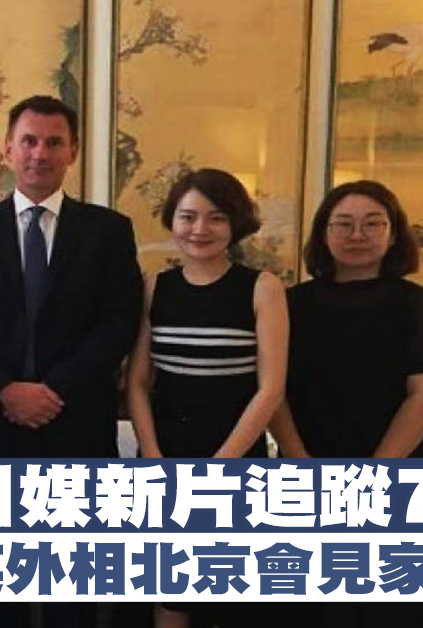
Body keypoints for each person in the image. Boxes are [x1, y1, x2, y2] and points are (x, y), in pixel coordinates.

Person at [0, 94, 144, 628]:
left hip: (75, 425)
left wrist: (53, 390)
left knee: (73, 598)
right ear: (7, 149)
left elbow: (118, 322)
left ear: (73, 151)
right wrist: (5, 389)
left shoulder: (108, 231)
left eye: (54, 142)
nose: (40, 153)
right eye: (28, 141)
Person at [269, 179, 423, 627]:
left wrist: (373, 476)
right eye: (344, 224)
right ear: (324, 233)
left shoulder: (420, 305)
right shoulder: (290, 304)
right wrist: (298, 460)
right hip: (307, 472)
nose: (357, 235)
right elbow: (272, 390)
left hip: (396, 478)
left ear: (393, 234)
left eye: (373, 224)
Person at [124, 169, 287, 628]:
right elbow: (137, 382)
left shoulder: (262, 287)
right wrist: (153, 457)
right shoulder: (156, 286)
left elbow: (271, 387)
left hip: (236, 457)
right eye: (188, 216)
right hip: (165, 457)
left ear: (235, 224)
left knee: (233, 596)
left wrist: (220, 468)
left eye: (216, 218)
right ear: (172, 220)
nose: (200, 228)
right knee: (169, 594)